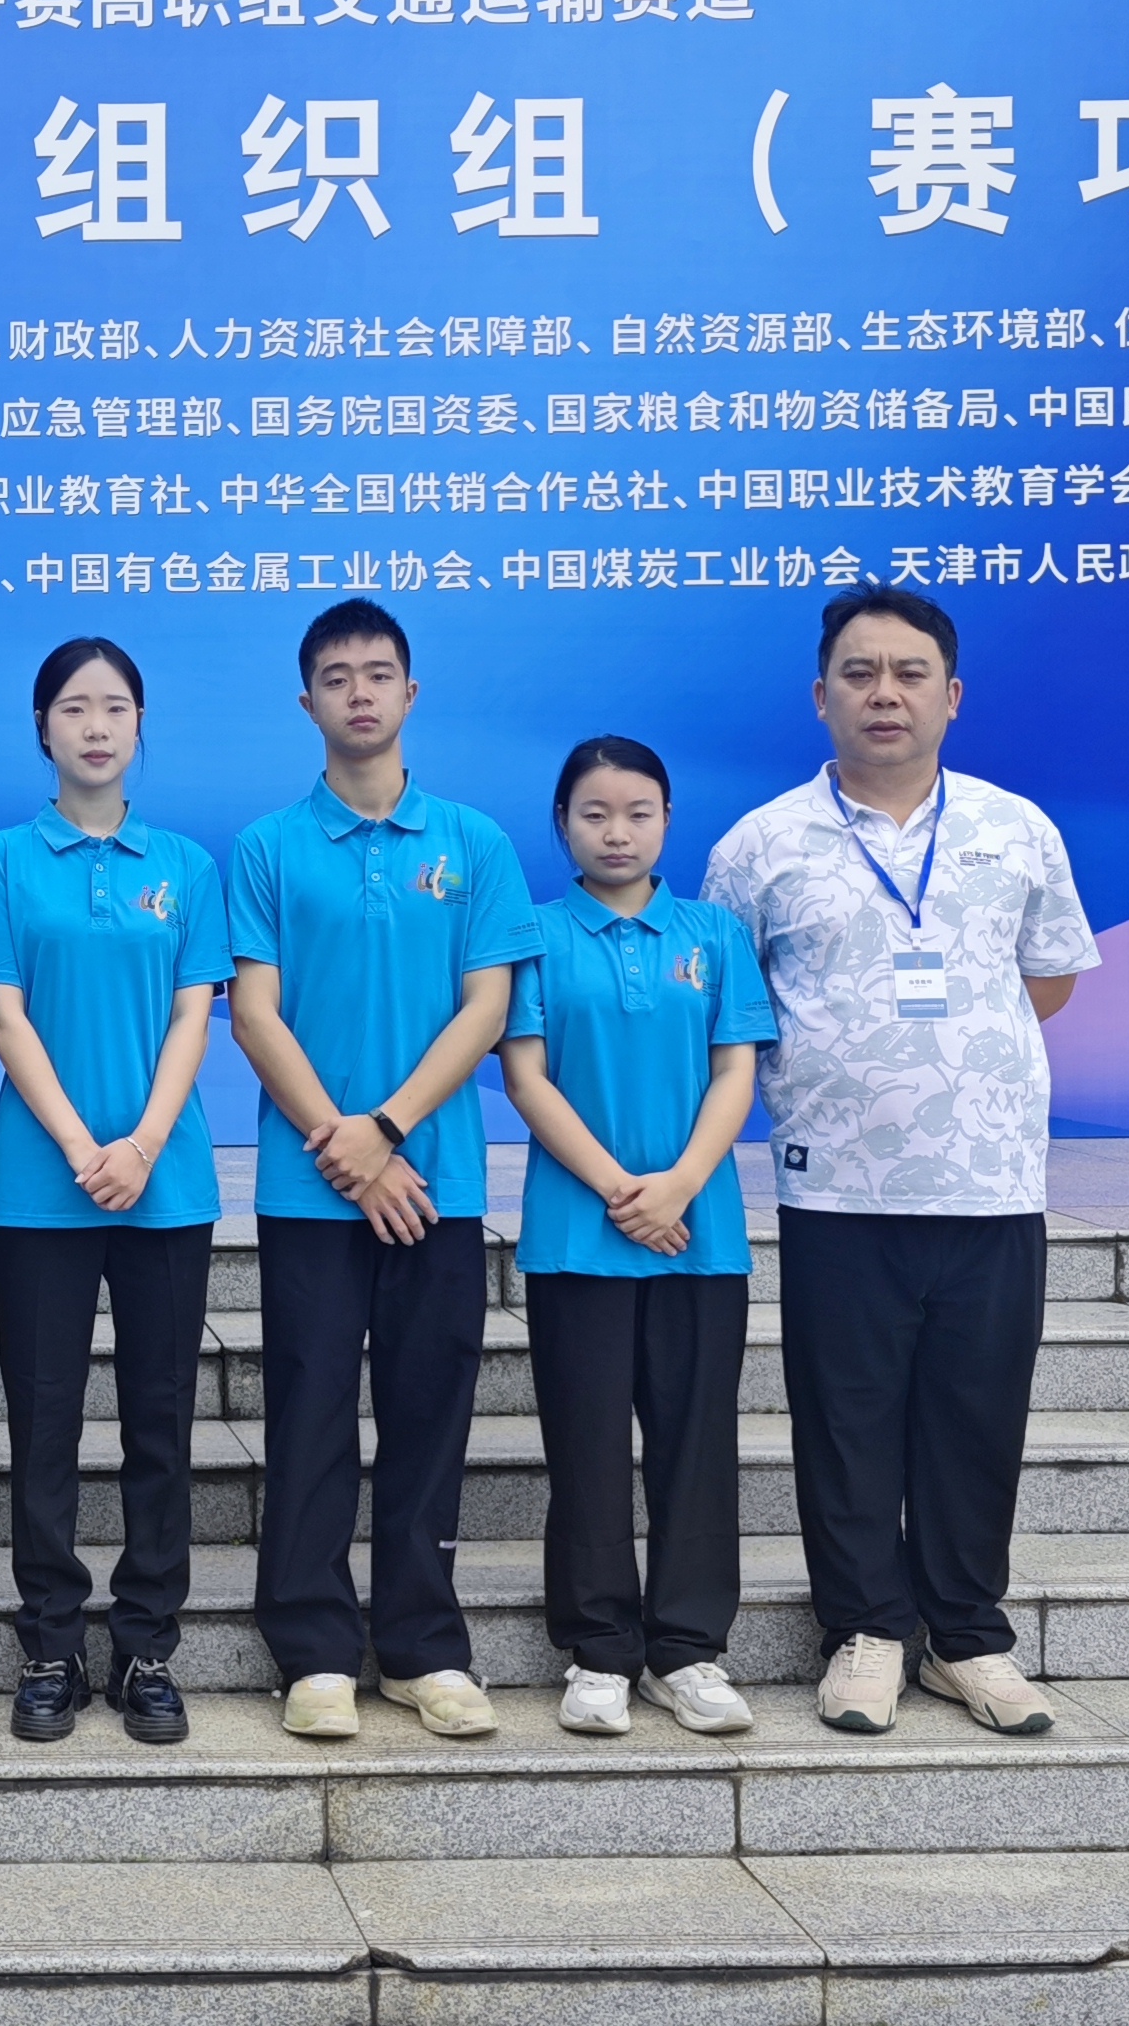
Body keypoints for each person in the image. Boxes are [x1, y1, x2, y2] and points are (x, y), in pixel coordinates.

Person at [706, 585, 1098, 1739]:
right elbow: (730, 1004)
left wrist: (948, 1063)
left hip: (990, 1183)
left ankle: (967, 1638)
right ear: (820, 695)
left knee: (977, 1417)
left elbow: (1047, 977)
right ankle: (867, 1633)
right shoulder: (760, 846)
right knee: (847, 1417)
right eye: (860, 672)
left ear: (951, 696)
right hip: (837, 1183)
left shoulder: (1015, 830)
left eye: (909, 673)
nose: (885, 693)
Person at [226, 598, 537, 1743]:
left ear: (410, 693)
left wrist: (391, 1129)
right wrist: (345, 1148)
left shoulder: (473, 844)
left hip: (434, 1182)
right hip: (310, 1188)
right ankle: (311, 1651)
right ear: (305, 700)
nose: (358, 692)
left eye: (377, 674)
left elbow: (487, 1006)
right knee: (309, 1411)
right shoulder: (267, 847)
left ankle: (421, 1647)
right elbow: (253, 1014)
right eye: (336, 676)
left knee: (425, 1413)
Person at [0, 638, 227, 1746]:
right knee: (45, 1421)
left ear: (141, 723)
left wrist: (144, 1144)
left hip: (166, 1185)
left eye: (116, 706)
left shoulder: (188, 866)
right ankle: (51, 1644)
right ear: (43, 728)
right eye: (74, 707)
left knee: (161, 1419)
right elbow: (4, 1016)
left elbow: (192, 1014)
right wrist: (82, 1147)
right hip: (43, 1186)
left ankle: (148, 1646)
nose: (97, 725)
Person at [498, 736, 775, 1742]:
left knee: (695, 1446)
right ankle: (599, 1651)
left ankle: (688, 1651)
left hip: (698, 1237)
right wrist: (622, 1191)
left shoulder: (713, 933)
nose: (617, 832)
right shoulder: (532, 934)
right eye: (594, 813)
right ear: (562, 823)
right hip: (579, 1236)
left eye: (638, 813)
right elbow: (527, 1076)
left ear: (666, 821)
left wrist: (680, 1187)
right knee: (585, 1449)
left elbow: (736, 1070)